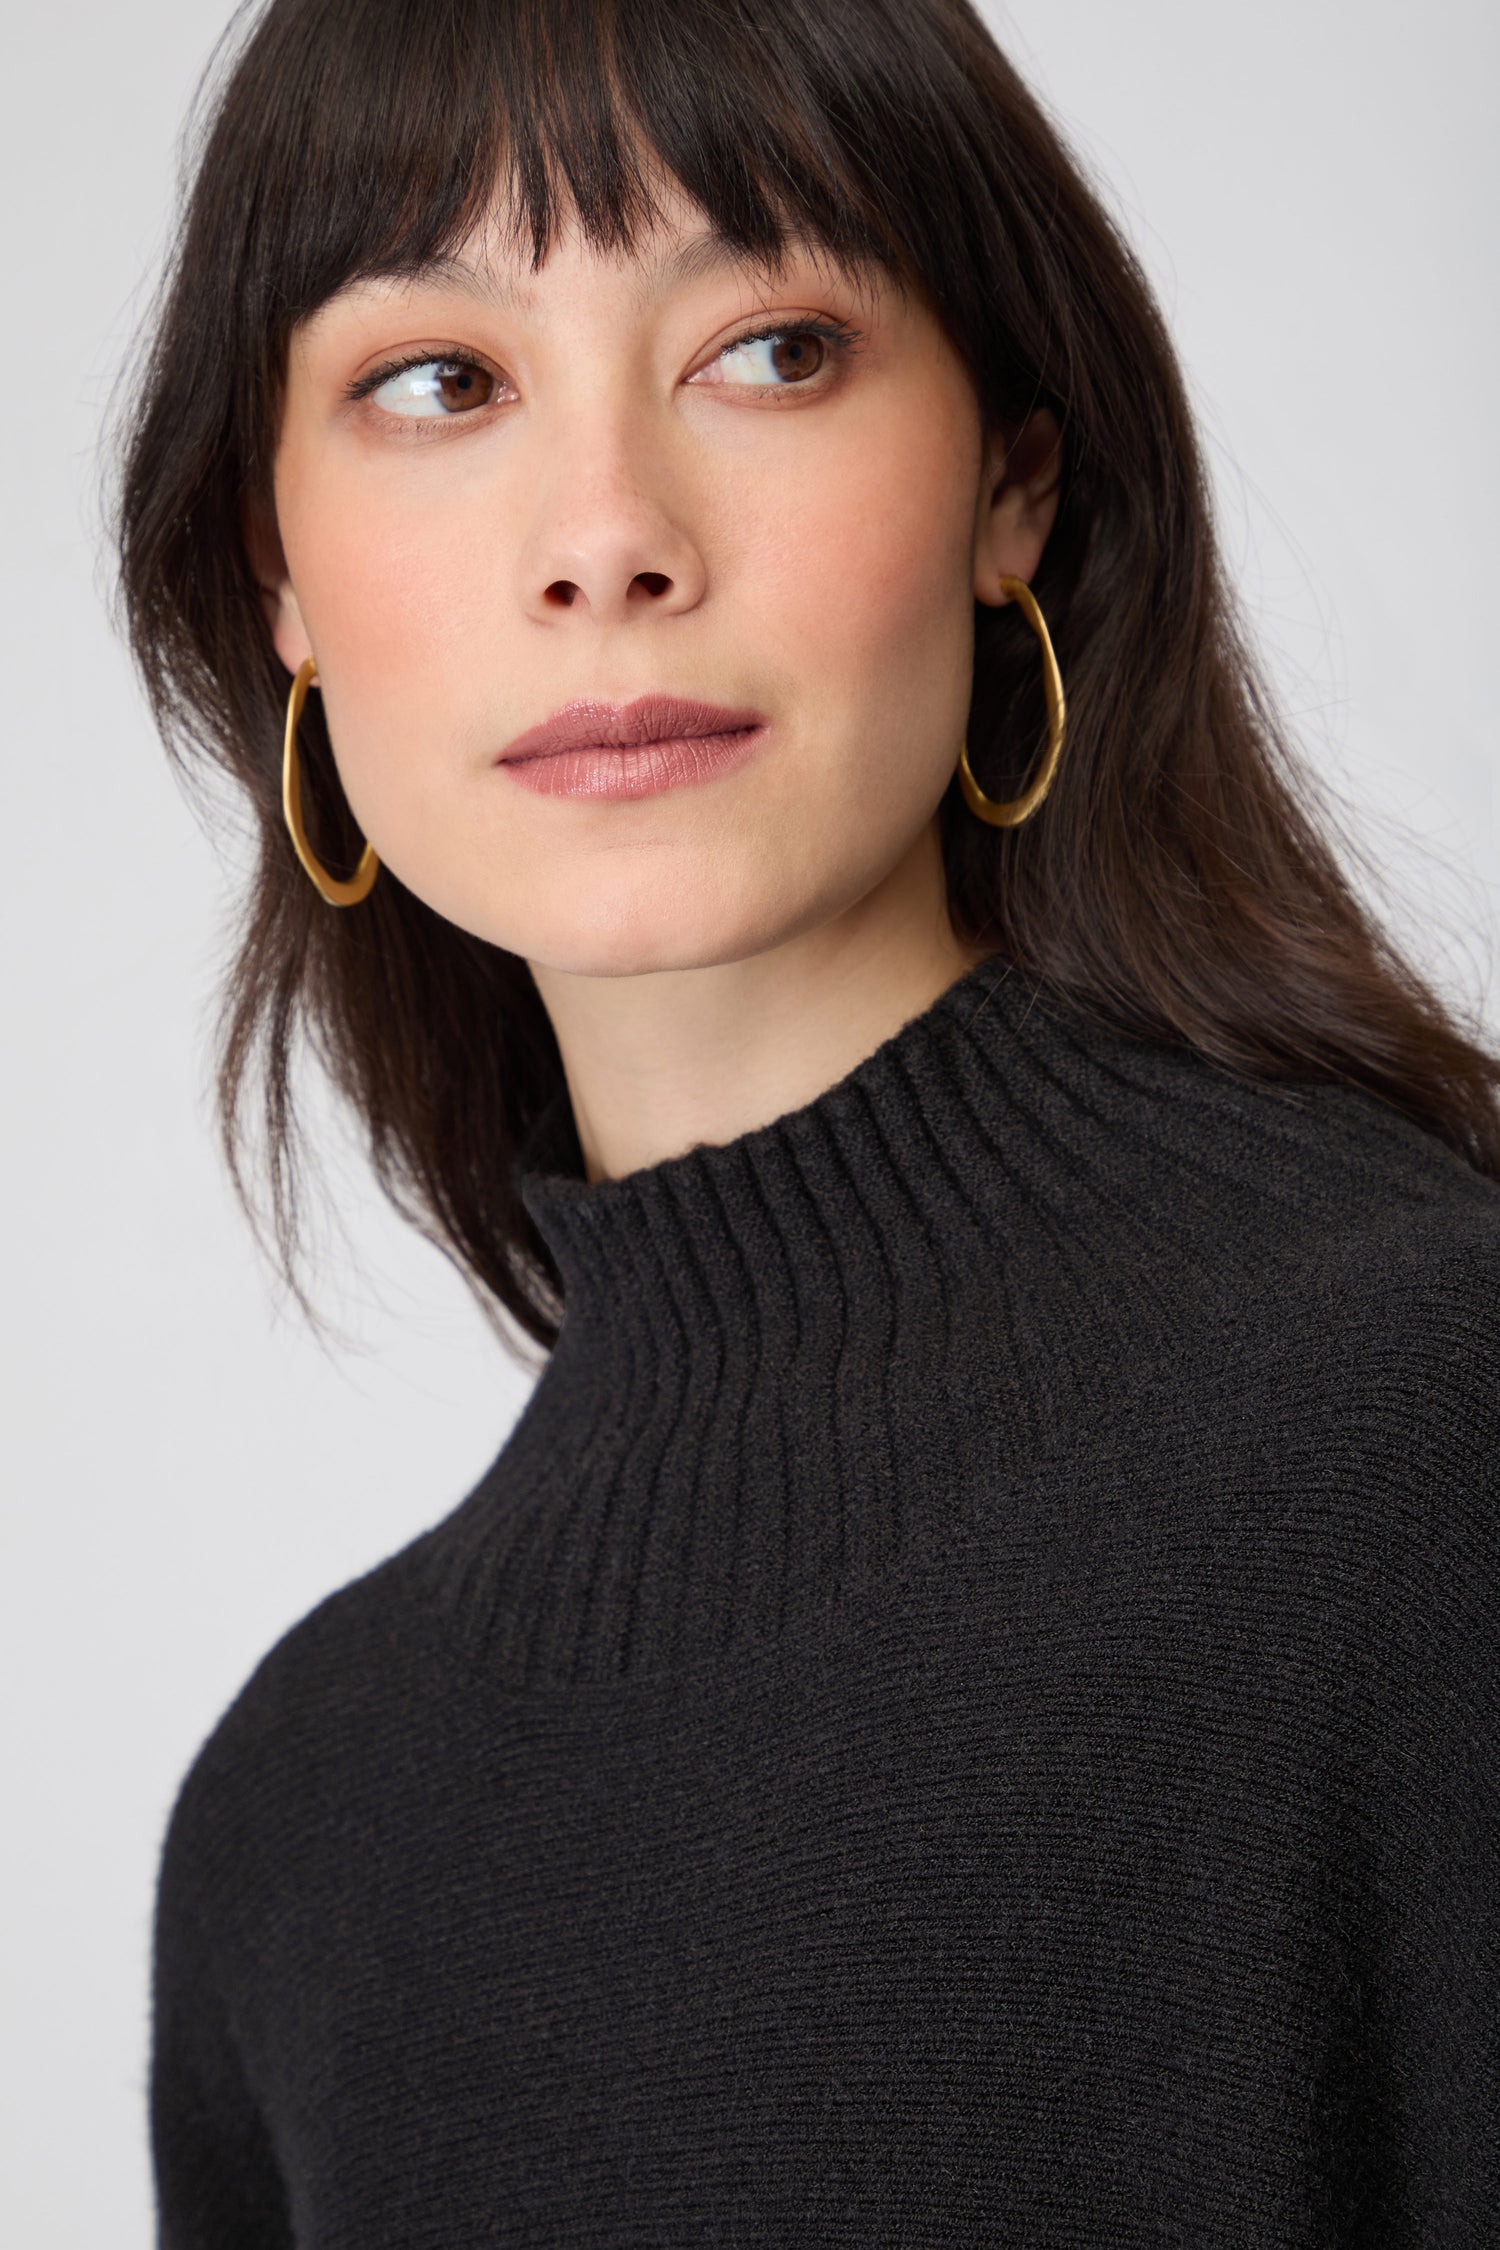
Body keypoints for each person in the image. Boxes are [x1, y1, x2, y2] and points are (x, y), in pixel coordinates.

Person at [113, 0, 1500, 2240]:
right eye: (439, 383)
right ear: (274, 571)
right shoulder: (300, 1828)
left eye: (766, 347)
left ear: (1011, 488)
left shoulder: (1426, 1436)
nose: (607, 541)